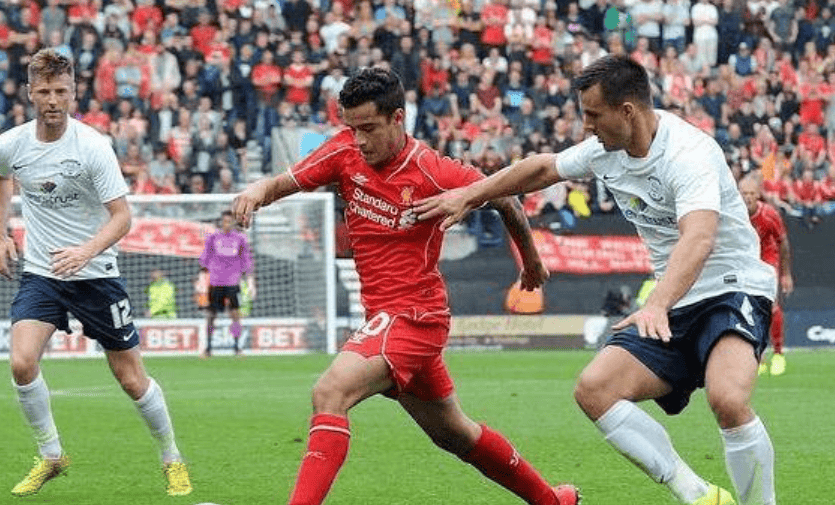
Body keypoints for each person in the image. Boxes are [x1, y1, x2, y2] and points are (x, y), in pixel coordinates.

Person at [415, 55, 777, 505]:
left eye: (593, 115)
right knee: (595, 389)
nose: (586, 126)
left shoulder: (689, 153)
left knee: (728, 400)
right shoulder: (605, 151)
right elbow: (542, 168)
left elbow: (699, 237)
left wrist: (657, 303)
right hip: (674, 299)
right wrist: (469, 195)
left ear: (627, 111)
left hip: (732, 287)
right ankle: (699, 495)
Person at [231, 67, 580, 505]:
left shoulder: (432, 170)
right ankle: (552, 501)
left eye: (369, 128)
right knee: (454, 433)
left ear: (398, 118)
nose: (359, 140)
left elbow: (505, 198)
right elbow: (286, 181)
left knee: (329, 392)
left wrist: (531, 261)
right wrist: (259, 190)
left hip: (415, 316)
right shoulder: (344, 151)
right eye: (352, 128)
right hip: (386, 318)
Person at [0, 49, 191, 498]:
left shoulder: (92, 146)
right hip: (43, 273)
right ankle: (51, 455)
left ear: (73, 92)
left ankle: (172, 457)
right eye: (44, 91)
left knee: (131, 379)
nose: (52, 100)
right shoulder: (12, 144)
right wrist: (2, 230)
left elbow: (123, 217)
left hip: (97, 275)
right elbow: (3, 177)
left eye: (60, 91)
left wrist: (85, 251)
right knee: (22, 362)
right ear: (29, 93)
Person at [738, 175, 793, 376]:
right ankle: (758, 354)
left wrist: (786, 274)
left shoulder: (769, 214)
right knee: (748, 308)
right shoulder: (734, 214)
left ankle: (778, 353)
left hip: (767, 259)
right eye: (744, 193)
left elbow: (783, 243)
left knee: (771, 305)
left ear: (758, 194)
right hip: (745, 260)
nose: (748, 197)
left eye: (751, 193)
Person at [199, 209, 254, 357]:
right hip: (216, 281)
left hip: (233, 282)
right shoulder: (213, 238)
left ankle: (237, 347)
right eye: (224, 221)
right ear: (221, 222)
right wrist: (201, 277)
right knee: (211, 315)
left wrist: (250, 279)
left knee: (235, 315)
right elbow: (205, 258)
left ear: (233, 223)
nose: (227, 224)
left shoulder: (240, 239)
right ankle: (208, 348)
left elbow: (246, 259)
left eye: (230, 221)